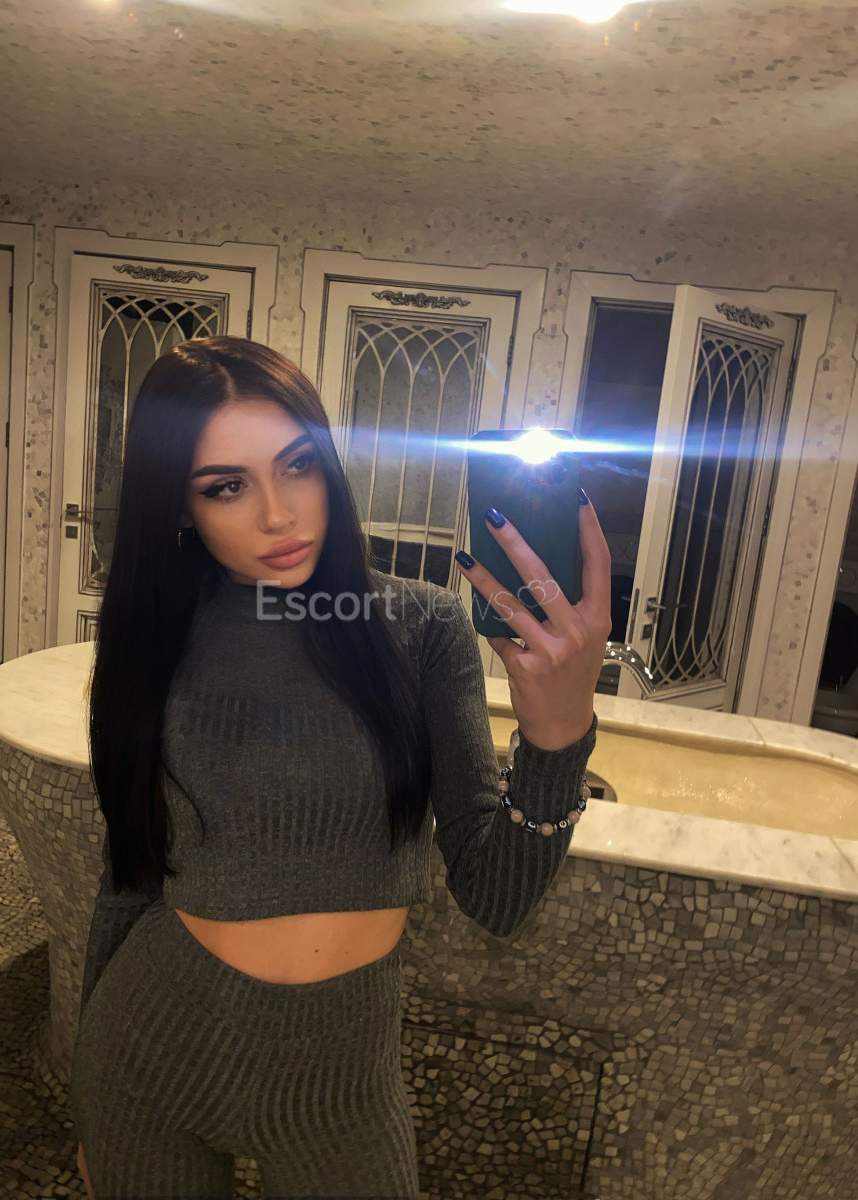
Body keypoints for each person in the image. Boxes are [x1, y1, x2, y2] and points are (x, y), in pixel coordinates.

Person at [69, 335, 610, 1199]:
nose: (279, 515)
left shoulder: (423, 626)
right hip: (150, 1052)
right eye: (226, 486)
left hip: (342, 1090)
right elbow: (127, 877)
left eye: (298, 466)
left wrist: (559, 736)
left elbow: (497, 898)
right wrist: (87, 1106)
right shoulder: (154, 639)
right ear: (179, 507)